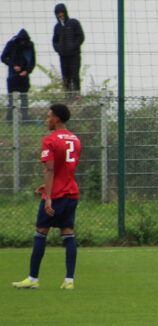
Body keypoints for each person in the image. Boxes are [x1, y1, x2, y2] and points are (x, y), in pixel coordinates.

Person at [12, 104, 81, 290]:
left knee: (41, 231)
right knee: (67, 232)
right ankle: (69, 281)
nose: (46, 119)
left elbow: (49, 168)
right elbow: (66, 168)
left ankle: (33, 279)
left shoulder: (50, 139)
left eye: (48, 116)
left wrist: (48, 196)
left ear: (56, 118)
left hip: (56, 194)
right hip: (71, 192)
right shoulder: (75, 139)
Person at [2, 29, 35, 122]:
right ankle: (10, 120)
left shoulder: (30, 45)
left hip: (24, 75)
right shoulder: (11, 44)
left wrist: (27, 71)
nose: (22, 42)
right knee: (11, 99)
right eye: (21, 40)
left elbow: (33, 60)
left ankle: (25, 119)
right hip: (13, 75)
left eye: (24, 40)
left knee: (24, 98)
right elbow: (3, 57)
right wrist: (13, 66)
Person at [53, 3, 84, 95]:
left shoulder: (74, 23)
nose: (60, 15)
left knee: (74, 75)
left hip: (74, 55)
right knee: (66, 77)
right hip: (63, 56)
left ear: (65, 12)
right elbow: (54, 41)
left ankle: (77, 96)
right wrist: (59, 49)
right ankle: (68, 96)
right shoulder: (57, 27)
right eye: (58, 13)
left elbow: (81, 37)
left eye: (61, 12)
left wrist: (74, 47)